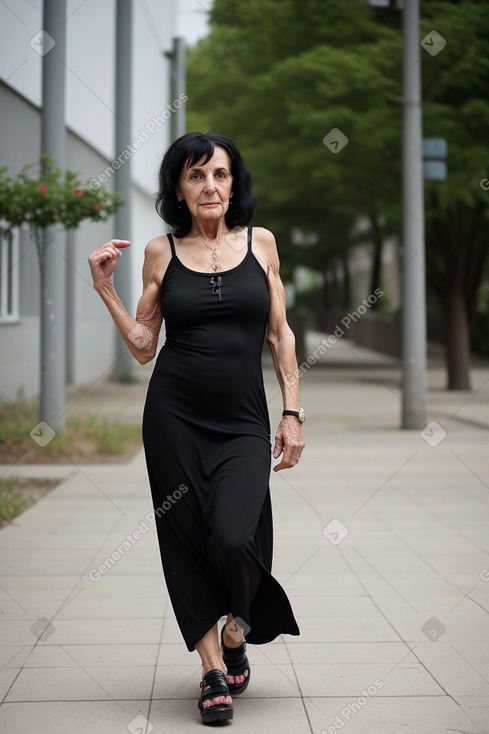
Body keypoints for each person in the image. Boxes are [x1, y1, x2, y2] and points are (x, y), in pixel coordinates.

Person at [88, 131, 305, 724]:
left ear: (234, 184)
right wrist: (106, 288)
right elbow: (142, 345)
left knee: (235, 535)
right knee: (184, 536)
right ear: (178, 190)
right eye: (196, 176)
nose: (210, 186)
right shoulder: (160, 252)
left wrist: (292, 410)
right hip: (173, 419)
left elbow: (279, 333)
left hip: (241, 422)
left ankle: (237, 630)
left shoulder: (262, 244)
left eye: (220, 175)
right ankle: (211, 666)